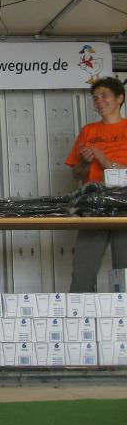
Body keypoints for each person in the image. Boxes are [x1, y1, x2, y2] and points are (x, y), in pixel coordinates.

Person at [66, 76, 127, 292]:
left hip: (124, 206)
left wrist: (106, 161)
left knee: (124, 271)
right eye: (95, 98)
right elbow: (76, 173)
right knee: (83, 271)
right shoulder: (88, 131)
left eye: (104, 95)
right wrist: (85, 161)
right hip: (93, 205)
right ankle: (79, 309)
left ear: (120, 98)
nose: (99, 101)